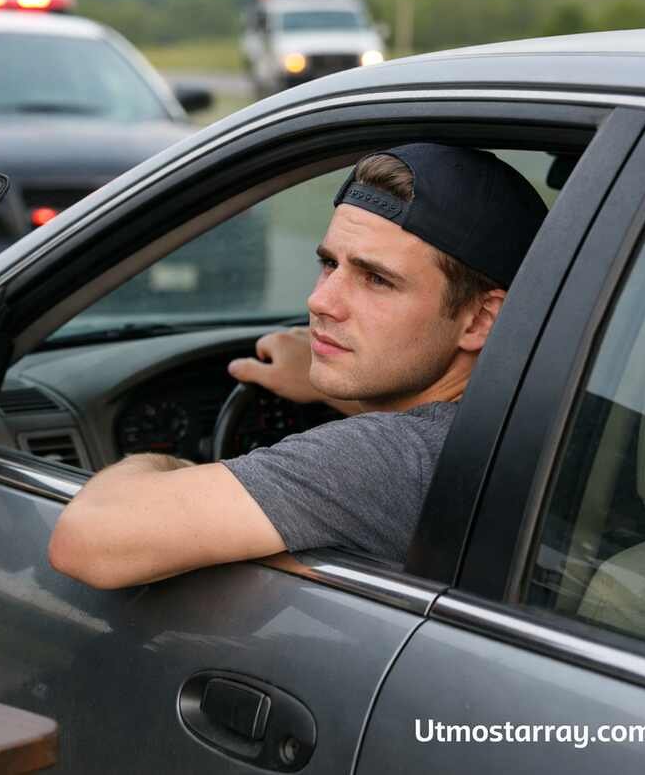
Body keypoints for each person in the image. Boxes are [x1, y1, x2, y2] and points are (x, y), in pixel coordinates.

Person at [48, 143, 548, 589]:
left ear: (479, 319)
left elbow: (86, 540)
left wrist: (177, 468)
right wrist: (336, 391)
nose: (319, 301)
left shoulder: (385, 459)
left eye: (376, 279)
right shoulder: (552, 423)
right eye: (330, 263)